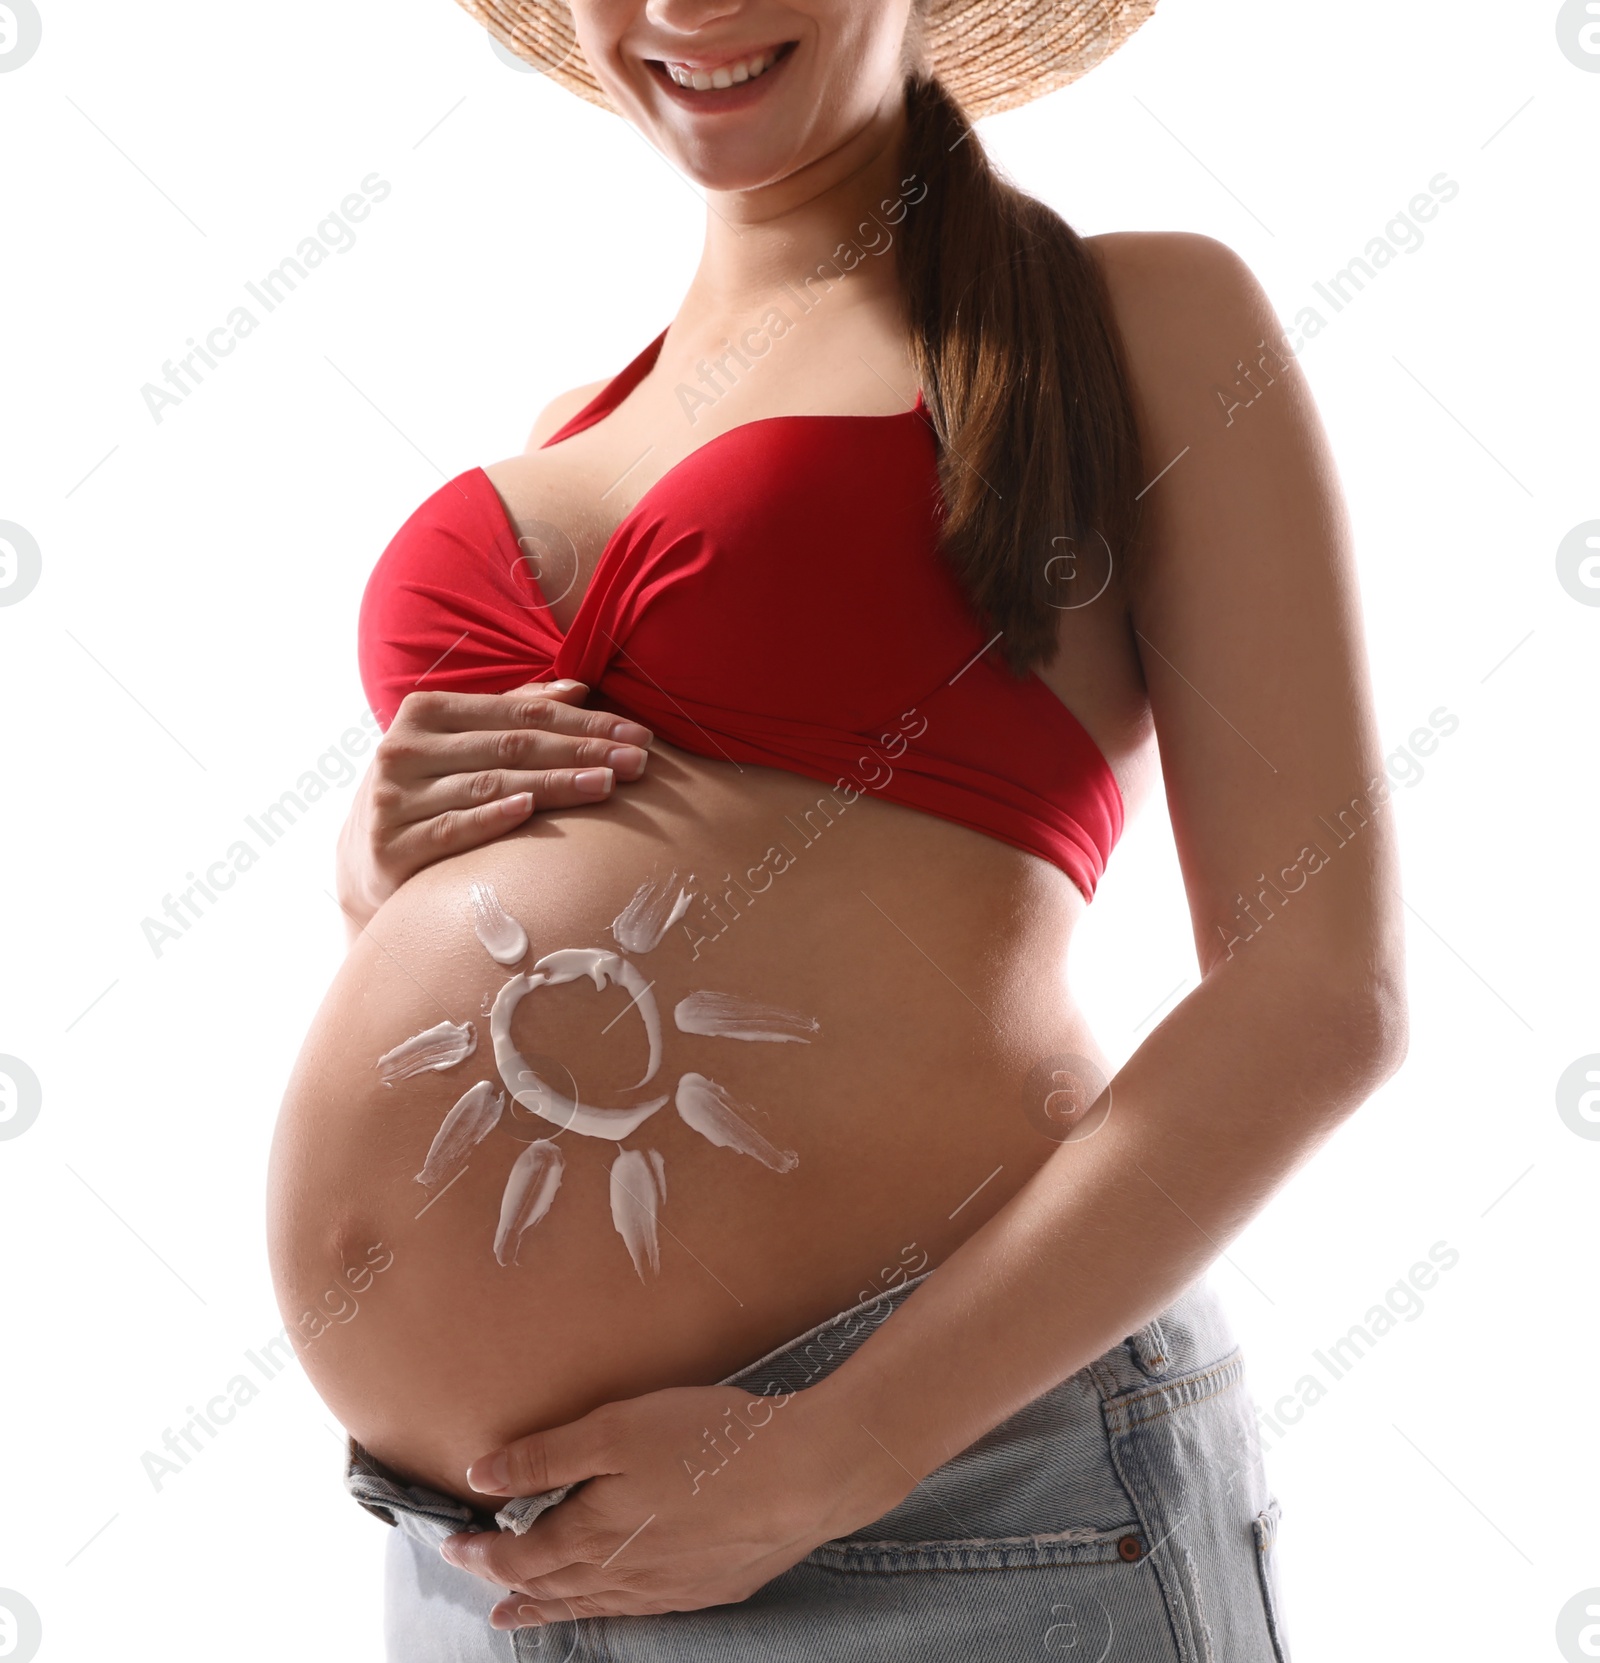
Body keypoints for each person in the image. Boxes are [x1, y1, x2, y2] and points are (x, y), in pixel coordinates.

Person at [267, 1, 1407, 1656]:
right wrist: (375, 879)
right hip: (479, 1558)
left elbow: (1322, 998)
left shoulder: (1135, 322)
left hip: (937, 1492)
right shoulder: (568, 419)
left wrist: (834, 1453)